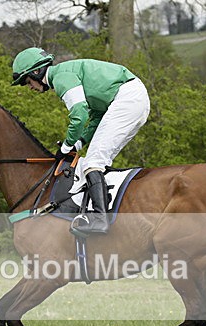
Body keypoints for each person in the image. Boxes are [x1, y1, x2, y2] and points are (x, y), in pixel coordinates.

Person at [11, 47, 150, 235]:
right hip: (133, 99)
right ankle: (102, 209)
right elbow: (96, 117)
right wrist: (78, 143)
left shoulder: (61, 77)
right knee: (97, 161)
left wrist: (66, 146)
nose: (29, 87)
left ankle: (101, 219)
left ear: (36, 72)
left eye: (27, 82)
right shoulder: (67, 73)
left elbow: (79, 115)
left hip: (128, 99)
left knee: (93, 162)